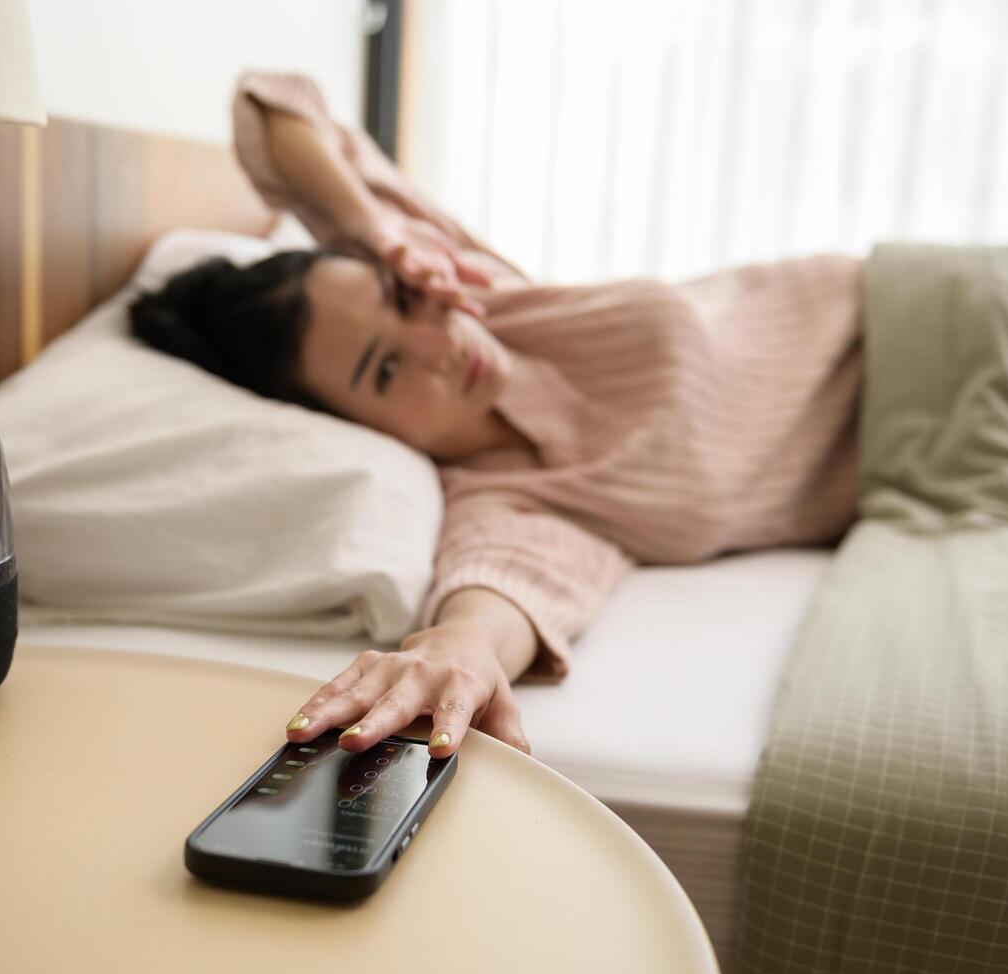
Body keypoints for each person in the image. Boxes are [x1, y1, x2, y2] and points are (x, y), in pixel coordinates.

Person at [130, 73, 865, 762]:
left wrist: (382, 237)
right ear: (355, 427)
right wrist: (457, 648)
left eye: (404, 301)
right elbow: (497, 590)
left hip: (903, 311)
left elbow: (270, 102)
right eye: (385, 372)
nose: (441, 345)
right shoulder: (510, 496)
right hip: (928, 467)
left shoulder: (482, 293)